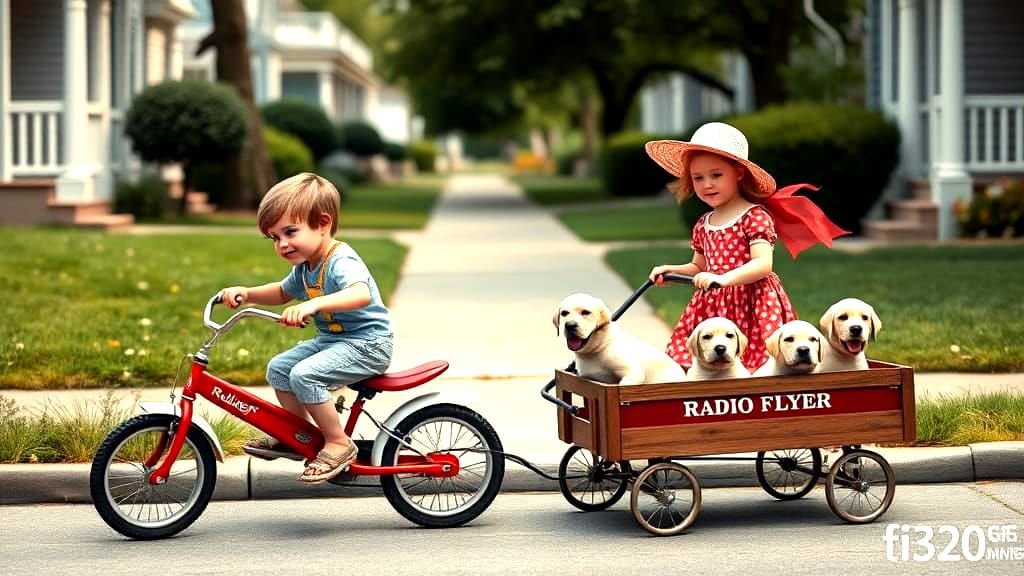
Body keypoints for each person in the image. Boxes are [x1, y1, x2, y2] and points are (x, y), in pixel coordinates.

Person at [220, 172, 393, 483]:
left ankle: (339, 442)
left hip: (369, 343)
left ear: (323, 224)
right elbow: (282, 292)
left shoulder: (341, 260)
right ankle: (298, 436)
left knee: (305, 375)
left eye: (290, 232)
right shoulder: (305, 267)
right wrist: (247, 293)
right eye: (275, 237)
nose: (283, 244)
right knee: (279, 369)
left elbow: (360, 293)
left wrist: (313, 305)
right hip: (334, 343)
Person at [645, 122, 848, 372]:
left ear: (739, 173)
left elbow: (763, 264)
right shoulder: (703, 224)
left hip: (754, 302)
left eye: (716, 175)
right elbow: (699, 266)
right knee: (708, 360)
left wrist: (724, 280)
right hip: (715, 305)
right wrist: (671, 271)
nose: (707, 184)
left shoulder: (754, 217)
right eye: (698, 178)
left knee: (761, 365)